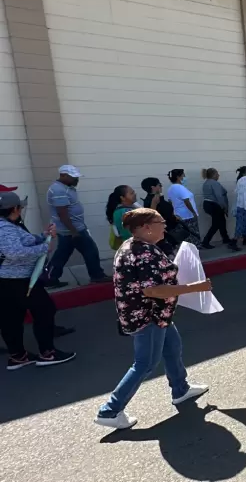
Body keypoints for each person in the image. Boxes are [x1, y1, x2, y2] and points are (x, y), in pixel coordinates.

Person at [94, 208, 211, 429]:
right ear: (146, 227)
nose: (165, 225)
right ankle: (110, 410)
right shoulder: (142, 253)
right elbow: (153, 290)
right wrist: (195, 287)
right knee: (145, 363)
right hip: (147, 316)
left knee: (172, 347)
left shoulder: (137, 247)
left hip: (157, 314)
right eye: (161, 221)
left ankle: (181, 389)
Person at [0, 191, 76, 370]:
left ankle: (18, 356)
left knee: (11, 318)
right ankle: (47, 353)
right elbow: (15, 252)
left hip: (7, 281)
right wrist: (44, 247)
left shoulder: (8, 227)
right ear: (15, 209)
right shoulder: (5, 229)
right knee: (45, 311)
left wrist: (43, 236)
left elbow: (23, 243)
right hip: (20, 280)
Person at [45, 165, 108, 288]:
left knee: (62, 254)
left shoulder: (66, 188)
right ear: (63, 175)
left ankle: (50, 278)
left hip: (71, 228)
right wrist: (74, 231)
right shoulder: (59, 190)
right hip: (71, 229)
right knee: (90, 250)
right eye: (73, 177)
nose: (76, 180)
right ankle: (97, 276)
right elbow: (62, 213)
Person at [200, 168, 238, 251]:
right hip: (214, 204)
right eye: (217, 174)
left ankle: (225, 238)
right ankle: (205, 241)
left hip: (208, 204)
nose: (218, 175)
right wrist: (224, 206)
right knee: (216, 224)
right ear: (213, 175)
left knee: (221, 221)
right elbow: (219, 196)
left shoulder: (206, 183)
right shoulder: (214, 183)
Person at [141, 177, 180, 255]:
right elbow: (151, 216)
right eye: (159, 185)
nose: (161, 187)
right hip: (164, 231)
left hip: (171, 227)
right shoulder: (151, 200)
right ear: (153, 187)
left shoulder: (159, 197)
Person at [165, 169, 201, 245]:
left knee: (185, 237)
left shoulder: (170, 188)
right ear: (178, 177)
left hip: (178, 215)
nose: (184, 177)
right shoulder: (180, 188)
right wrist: (193, 212)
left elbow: (170, 202)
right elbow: (186, 201)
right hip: (187, 215)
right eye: (183, 175)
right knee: (193, 235)